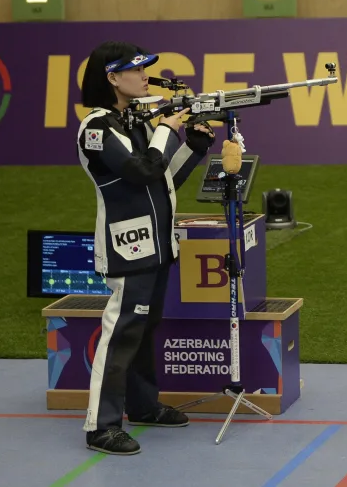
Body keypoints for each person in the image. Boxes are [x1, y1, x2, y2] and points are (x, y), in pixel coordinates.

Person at [76, 41, 216, 455]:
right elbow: (138, 173)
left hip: (156, 244)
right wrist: (163, 132)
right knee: (121, 334)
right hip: (127, 246)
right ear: (112, 79)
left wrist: (193, 143)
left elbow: (163, 176)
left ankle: (142, 406)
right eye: (135, 71)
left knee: (144, 328)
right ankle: (99, 426)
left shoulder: (133, 124)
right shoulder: (98, 128)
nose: (144, 77)